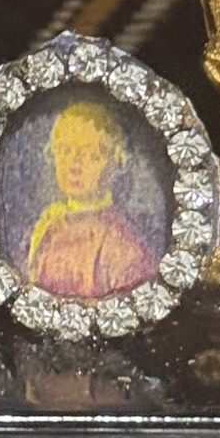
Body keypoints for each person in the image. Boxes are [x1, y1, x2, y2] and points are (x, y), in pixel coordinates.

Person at [26, 100, 159, 299]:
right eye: (66, 151)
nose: (74, 165)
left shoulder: (121, 245)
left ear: (115, 164)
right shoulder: (49, 225)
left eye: (91, 156)